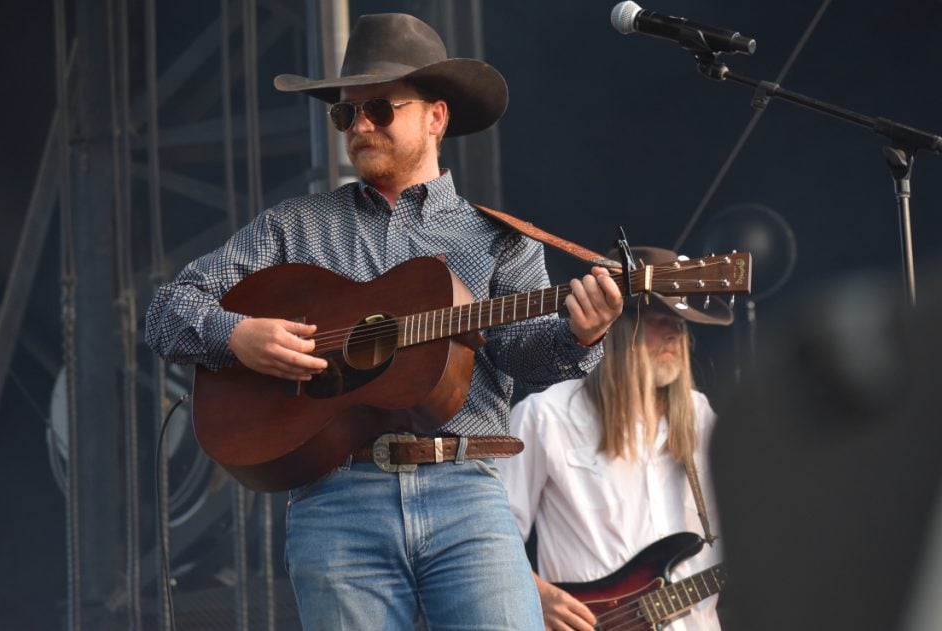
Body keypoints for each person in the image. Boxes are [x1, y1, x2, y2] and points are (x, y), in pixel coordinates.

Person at [145, 13, 623, 630]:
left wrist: (581, 332)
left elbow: (522, 355)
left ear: (436, 117)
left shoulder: (500, 239)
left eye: (378, 109)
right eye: (346, 114)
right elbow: (167, 310)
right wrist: (237, 336)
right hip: (336, 500)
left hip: (466, 493)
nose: (360, 127)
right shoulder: (295, 226)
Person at [500, 247, 731, 631]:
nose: (675, 332)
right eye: (660, 319)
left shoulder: (702, 418)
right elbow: (492, 538)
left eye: (680, 323)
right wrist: (536, 594)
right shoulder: (546, 415)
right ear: (620, 324)